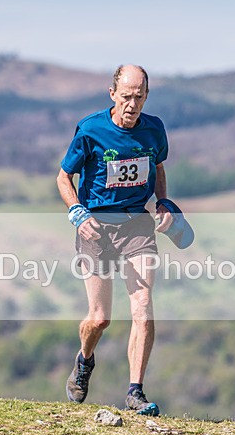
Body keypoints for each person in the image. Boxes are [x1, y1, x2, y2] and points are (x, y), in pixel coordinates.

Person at [56, 64, 173, 416]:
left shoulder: (155, 130)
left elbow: (158, 168)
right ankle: (84, 360)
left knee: (143, 308)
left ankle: (135, 391)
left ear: (146, 96)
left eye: (138, 97)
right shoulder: (91, 130)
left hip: (136, 225)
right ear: (112, 94)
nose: (131, 104)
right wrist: (78, 212)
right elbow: (64, 177)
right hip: (96, 229)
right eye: (125, 96)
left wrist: (163, 202)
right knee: (100, 318)